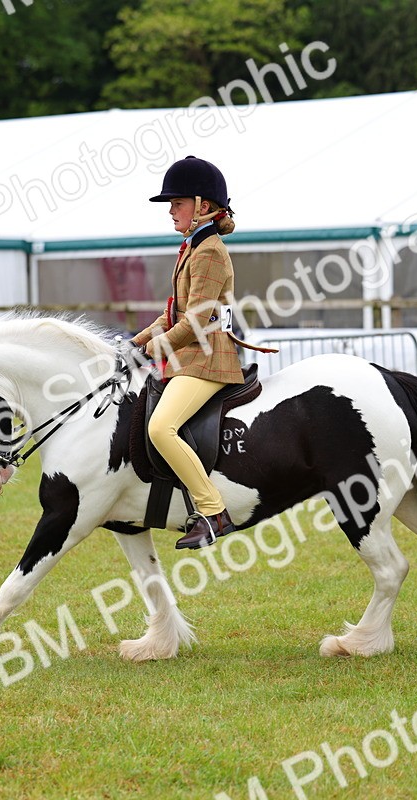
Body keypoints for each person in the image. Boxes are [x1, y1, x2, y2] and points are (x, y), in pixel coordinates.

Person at [130, 155, 242, 550]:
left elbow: (194, 320)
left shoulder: (209, 251)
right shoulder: (191, 247)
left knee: (161, 428)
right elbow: (170, 313)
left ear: (203, 207)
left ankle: (213, 512)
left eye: (177, 203)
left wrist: (153, 350)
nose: (171, 211)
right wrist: (134, 343)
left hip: (208, 358)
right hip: (190, 355)